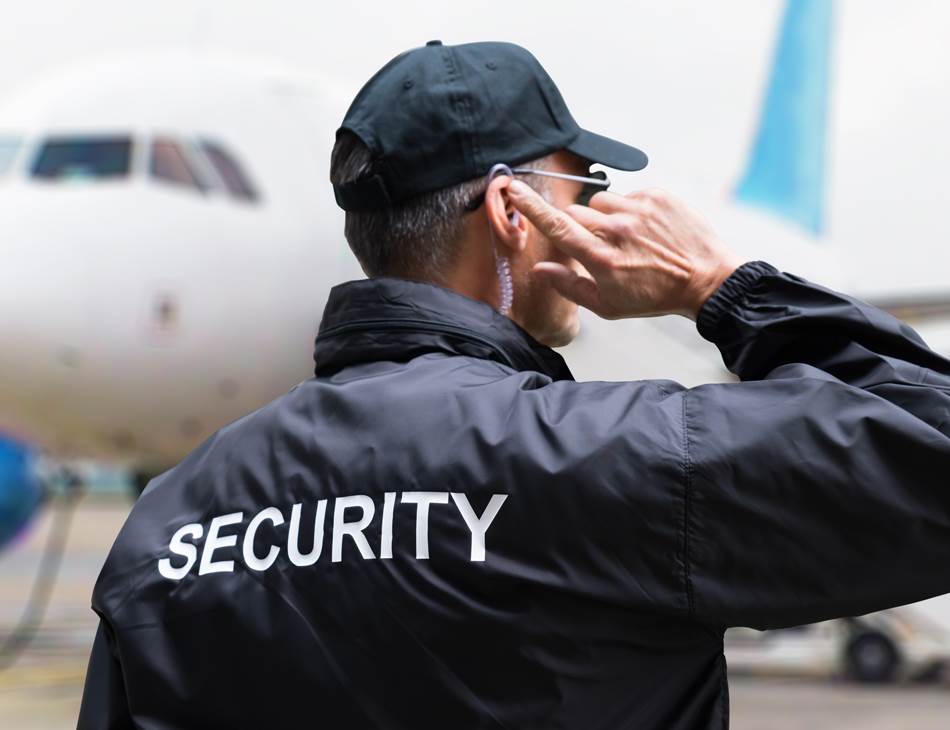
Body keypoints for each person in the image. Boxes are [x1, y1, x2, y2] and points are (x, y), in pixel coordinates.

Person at [77, 40, 950, 730]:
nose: (596, 215)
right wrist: (718, 286)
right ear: (511, 216)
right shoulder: (616, 460)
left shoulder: (169, 525)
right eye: (585, 188)